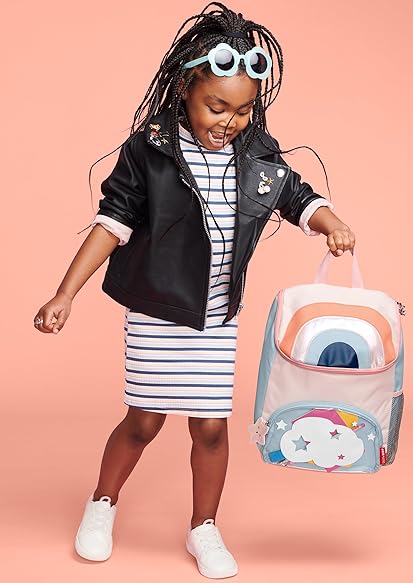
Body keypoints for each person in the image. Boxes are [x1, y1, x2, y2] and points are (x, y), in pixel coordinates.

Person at [33, 2, 355, 578]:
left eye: (243, 110)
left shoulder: (256, 152)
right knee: (144, 420)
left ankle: (203, 527)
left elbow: (295, 195)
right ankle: (102, 504)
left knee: (210, 426)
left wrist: (329, 222)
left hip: (216, 317)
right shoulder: (152, 149)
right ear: (185, 89)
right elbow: (112, 223)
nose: (229, 121)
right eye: (216, 106)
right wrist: (65, 294)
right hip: (157, 311)